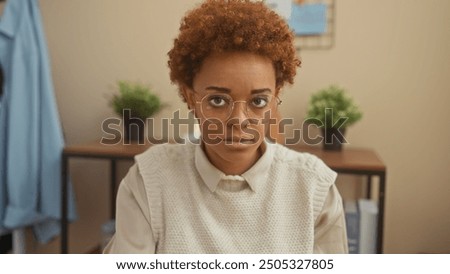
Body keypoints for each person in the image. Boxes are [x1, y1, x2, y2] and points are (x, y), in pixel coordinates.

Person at [104, 0, 348, 254]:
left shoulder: (314, 187)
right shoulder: (148, 181)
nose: (239, 119)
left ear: (275, 98)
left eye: (258, 101)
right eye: (218, 100)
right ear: (190, 98)